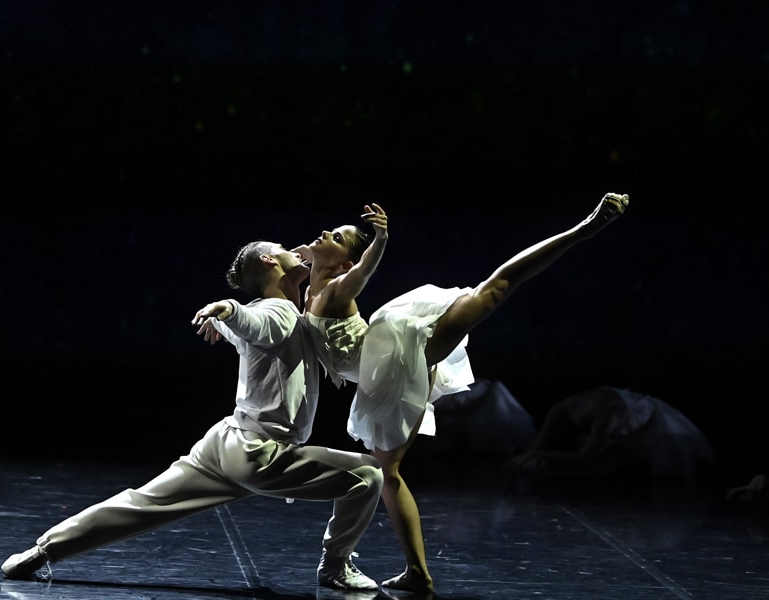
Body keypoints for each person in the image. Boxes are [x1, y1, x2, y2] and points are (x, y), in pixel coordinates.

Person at [0, 240, 384, 592]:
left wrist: (224, 320)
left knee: (142, 503)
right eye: (283, 248)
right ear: (269, 260)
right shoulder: (277, 312)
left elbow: (247, 329)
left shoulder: (283, 311)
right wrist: (227, 310)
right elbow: (257, 324)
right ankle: (335, 565)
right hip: (258, 453)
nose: (294, 249)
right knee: (367, 475)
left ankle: (41, 551)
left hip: (225, 442)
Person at [294, 193, 629, 593]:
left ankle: (585, 228)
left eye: (335, 236)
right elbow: (291, 269)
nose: (323, 233)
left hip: (397, 353)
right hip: (385, 369)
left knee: (496, 288)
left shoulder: (337, 288)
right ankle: (417, 572)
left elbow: (364, 271)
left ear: (343, 263)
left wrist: (380, 240)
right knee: (388, 475)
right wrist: (305, 259)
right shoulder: (311, 288)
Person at [502, 386, 717, 481]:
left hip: (654, 431)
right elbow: (537, 447)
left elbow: (583, 459)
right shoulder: (563, 409)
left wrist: (534, 457)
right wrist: (529, 457)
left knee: (601, 468)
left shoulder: (610, 414)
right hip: (615, 423)